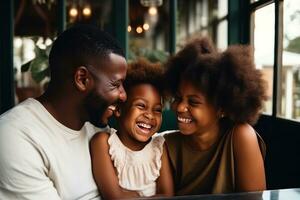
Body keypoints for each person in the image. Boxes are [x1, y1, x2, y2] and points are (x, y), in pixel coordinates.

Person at [0, 25, 127, 199]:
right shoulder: (14, 137)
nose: (124, 96)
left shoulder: (98, 129)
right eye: (116, 84)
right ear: (82, 79)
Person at [163, 37, 267, 195]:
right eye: (178, 98)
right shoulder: (167, 145)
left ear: (221, 108)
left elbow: (253, 199)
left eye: (193, 102)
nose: (180, 107)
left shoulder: (241, 137)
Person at [90, 59, 174, 199]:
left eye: (157, 110)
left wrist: (134, 196)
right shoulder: (103, 143)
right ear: (118, 109)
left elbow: (168, 195)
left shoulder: (159, 147)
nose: (149, 115)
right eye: (141, 106)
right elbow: (114, 197)